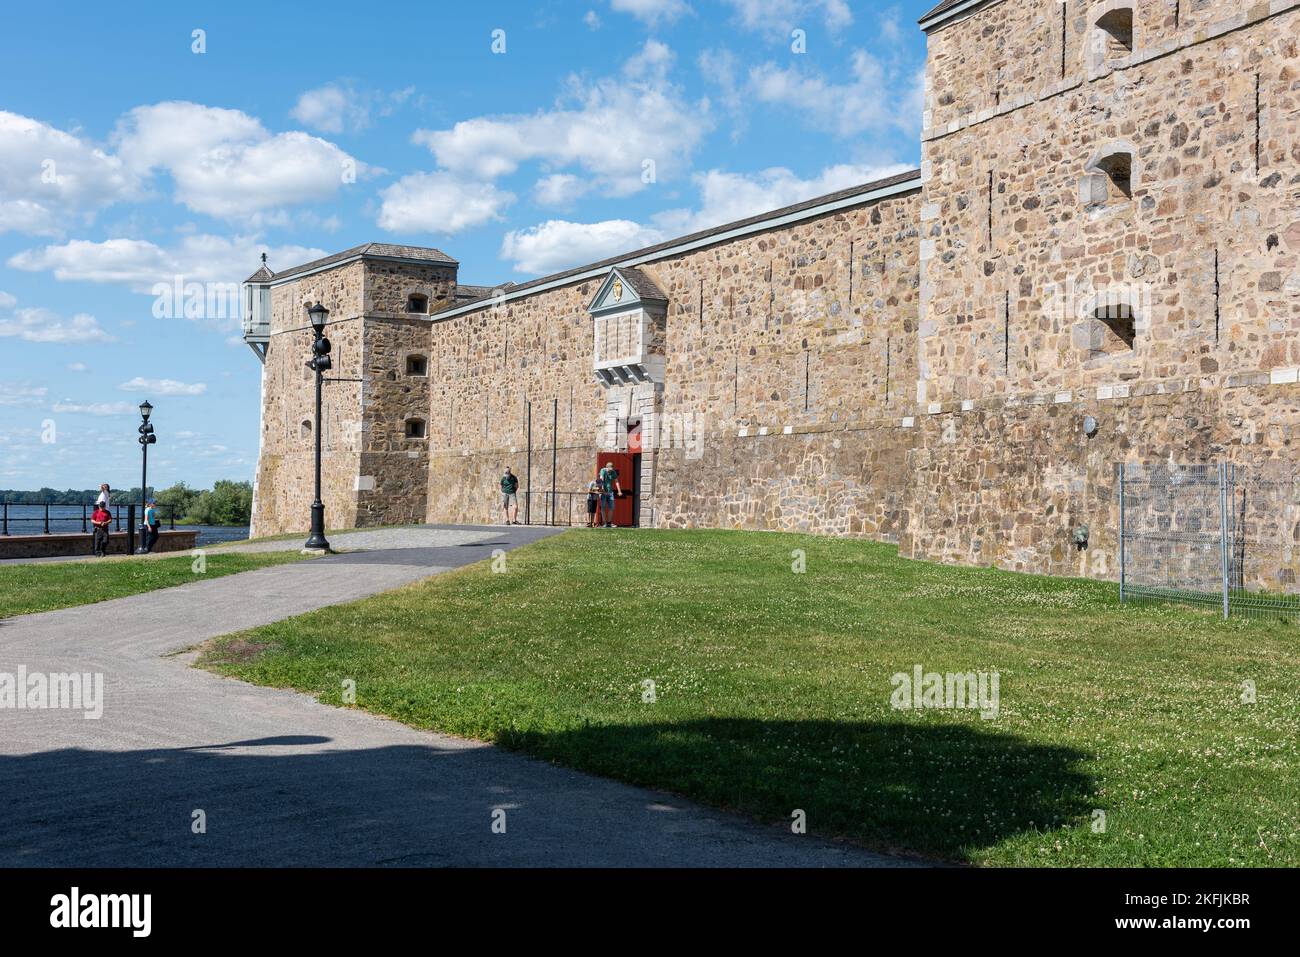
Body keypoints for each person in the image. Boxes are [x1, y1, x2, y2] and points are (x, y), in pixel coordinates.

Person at [598, 460, 622, 528]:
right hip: (603, 492)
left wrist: (619, 491)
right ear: (607, 468)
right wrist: (602, 490)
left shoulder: (613, 472)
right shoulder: (603, 470)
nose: (610, 471)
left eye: (611, 469)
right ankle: (604, 523)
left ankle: (609, 522)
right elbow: (601, 479)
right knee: (603, 507)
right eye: (609, 470)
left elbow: (616, 481)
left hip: (610, 492)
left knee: (611, 507)